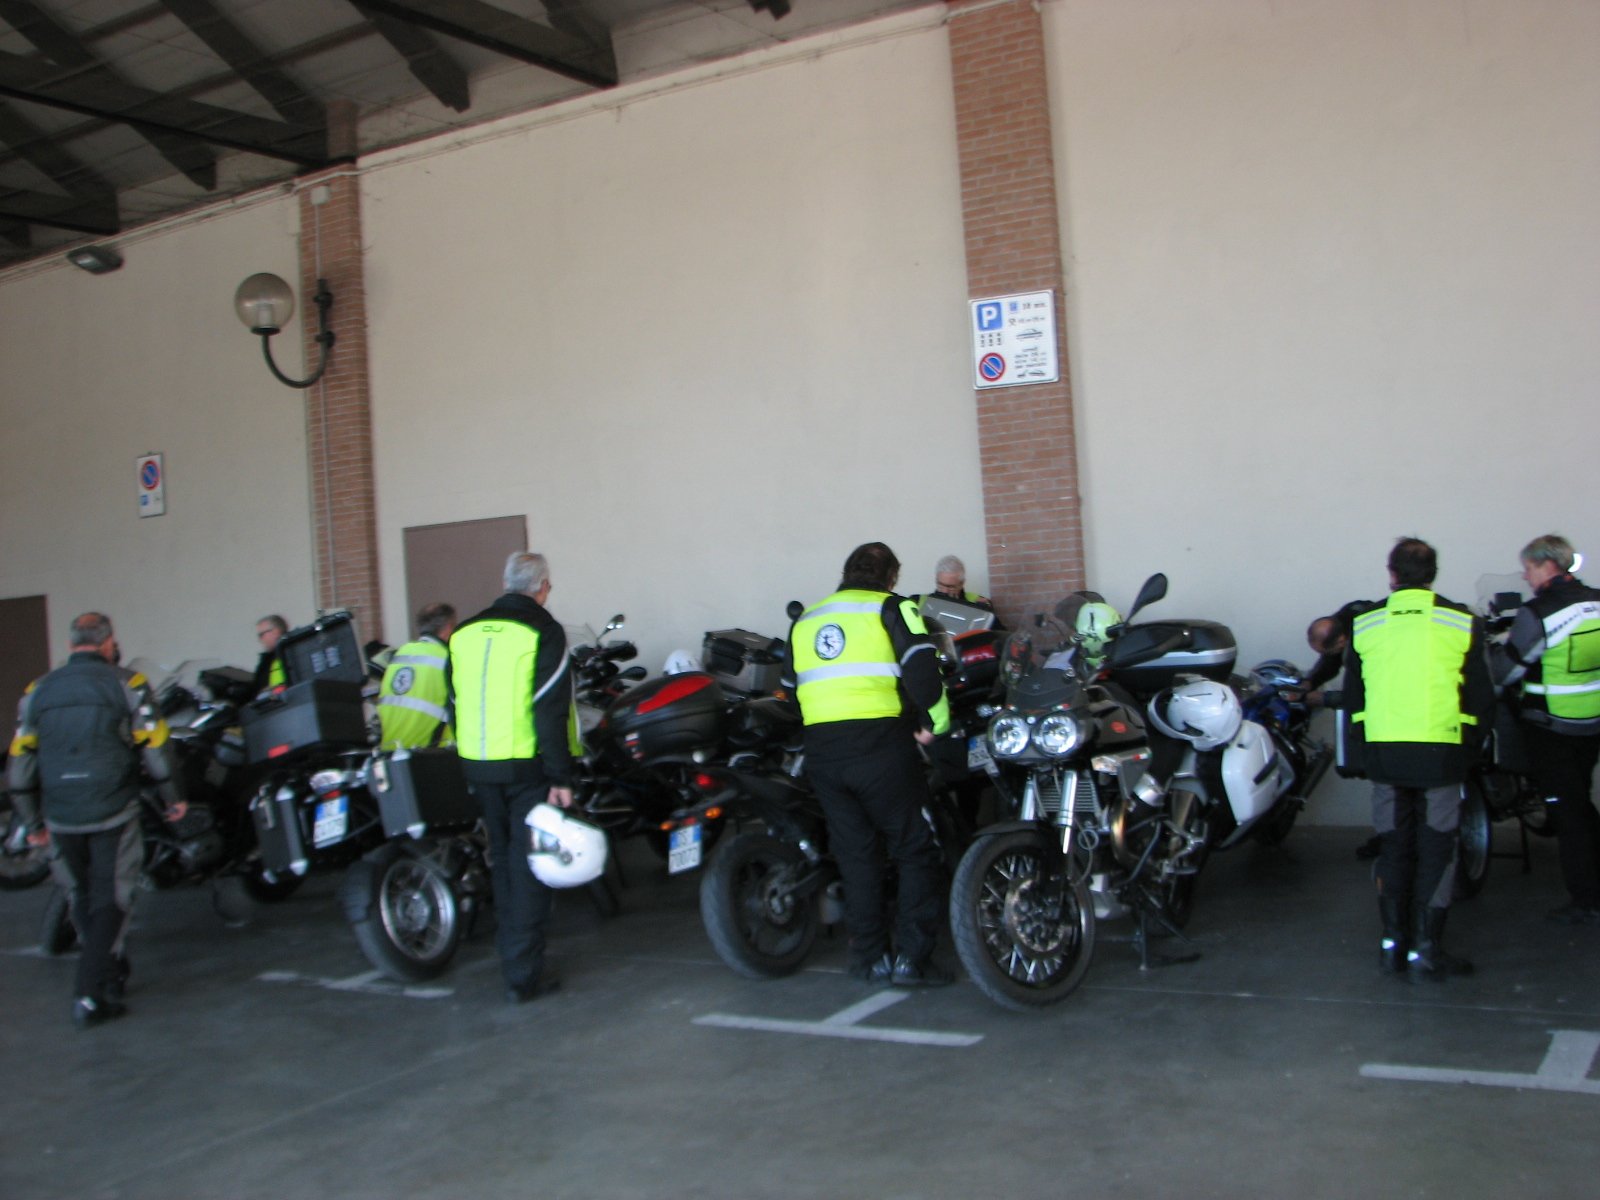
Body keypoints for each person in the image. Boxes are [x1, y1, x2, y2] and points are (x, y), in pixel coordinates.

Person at [7, 613, 186, 1028]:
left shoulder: (37, 690)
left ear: (71, 644)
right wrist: (173, 798)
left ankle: (109, 971)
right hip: (113, 808)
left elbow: (19, 765)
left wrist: (32, 822)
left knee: (80, 896)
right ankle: (88, 993)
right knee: (113, 899)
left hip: (60, 813)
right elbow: (157, 748)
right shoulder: (128, 683)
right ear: (108, 643)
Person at [789, 542, 953, 986]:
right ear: (891, 577)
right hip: (881, 749)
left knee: (856, 856)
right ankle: (912, 961)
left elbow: (792, 687)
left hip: (824, 755)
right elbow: (923, 672)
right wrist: (935, 725)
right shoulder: (894, 609)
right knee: (915, 848)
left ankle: (869, 959)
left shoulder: (807, 619)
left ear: (846, 572)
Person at [1342, 538, 1492, 981]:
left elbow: (1353, 698)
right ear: (1432, 575)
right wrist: (1469, 746)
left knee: (1394, 846)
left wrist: (1365, 747)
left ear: (1392, 574)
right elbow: (1481, 697)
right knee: (1437, 848)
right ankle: (1426, 950)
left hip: (1385, 754)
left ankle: (1392, 945)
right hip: (1440, 755)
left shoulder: (1365, 623)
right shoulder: (1462, 621)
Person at [448, 553, 578, 1003]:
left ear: (506, 583)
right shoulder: (543, 630)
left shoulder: (464, 633)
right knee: (529, 868)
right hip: (527, 769)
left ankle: (512, 958)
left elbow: (453, 703)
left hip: (478, 767)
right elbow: (549, 710)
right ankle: (523, 974)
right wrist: (561, 776)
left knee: (502, 862)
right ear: (541, 586)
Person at [1489, 534, 1600, 925]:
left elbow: (1506, 672)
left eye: (1529, 568)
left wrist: (1498, 650)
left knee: (1567, 814)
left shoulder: (1540, 612)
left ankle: (1586, 899)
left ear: (1546, 565)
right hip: (1591, 722)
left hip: (1551, 728)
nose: (1525, 576)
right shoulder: (1596, 601)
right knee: (1580, 802)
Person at [378, 602, 457, 750]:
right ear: (447, 629)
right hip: (428, 753)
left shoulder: (401, 654)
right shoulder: (448, 659)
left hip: (390, 751)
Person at [930, 555, 995, 612]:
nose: (945, 591)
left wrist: (983, 611)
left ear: (962, 584)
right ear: (936, 580)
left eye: (951, 587)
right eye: (941, 585)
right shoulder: (926, 603)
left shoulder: (978, 602)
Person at [251, 614, 289, 694]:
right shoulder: (267, 660)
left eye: (261, 635)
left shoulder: (291, 654)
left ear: (276, 631)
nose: (260, 640)